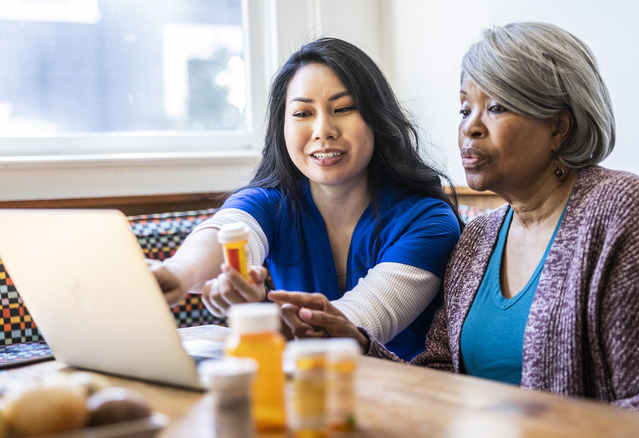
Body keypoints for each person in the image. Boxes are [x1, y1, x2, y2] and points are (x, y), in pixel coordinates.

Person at [269, 22, 639, 420]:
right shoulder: (478, 238)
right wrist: (355, 342)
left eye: (497, 107)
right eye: (465, 109)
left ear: (559, 126)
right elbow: (440, 381)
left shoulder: (623, 210)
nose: (471, 127)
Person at [150, 37, 462, 360]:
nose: (322, 130)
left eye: (343, 109)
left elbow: (349, 329)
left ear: (376, 119)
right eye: (302, 113)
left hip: (403, 395)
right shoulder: (272, 203)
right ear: (282, 127)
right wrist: (177, 274)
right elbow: (228, 233)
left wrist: (258, 311)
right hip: (304, 391)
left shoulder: (429, 222)